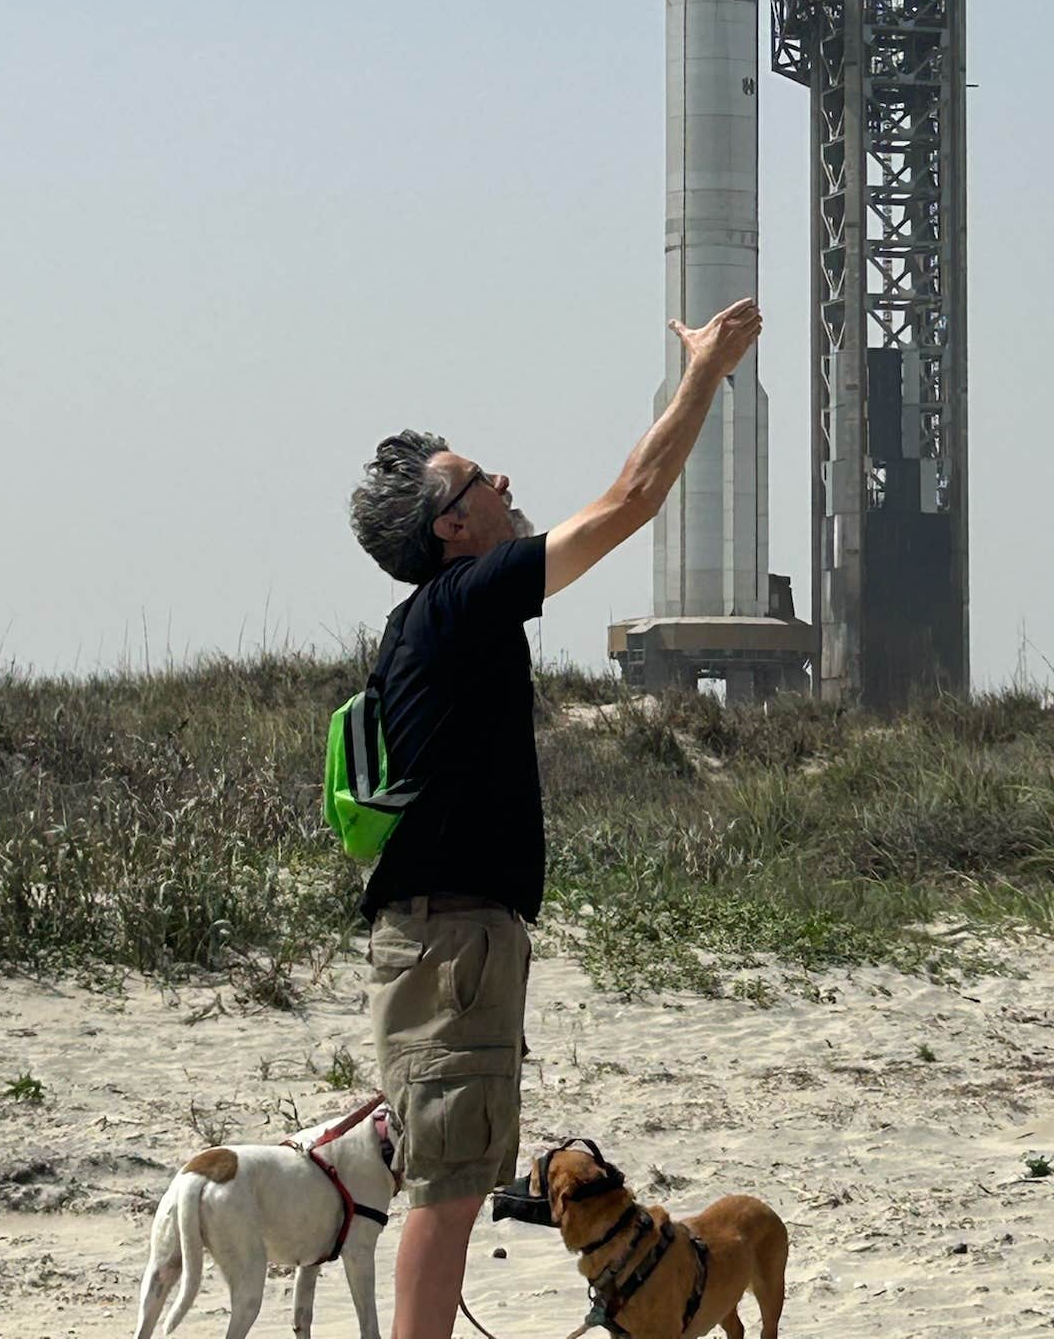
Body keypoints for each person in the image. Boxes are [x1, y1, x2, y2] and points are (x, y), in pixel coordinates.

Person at [345, 295, 763, 1339]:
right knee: (445, 1195)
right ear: (454, 523)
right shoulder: (460, 600)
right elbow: (633, 497)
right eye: (486, 479)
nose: (507, 483)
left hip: (441, 941)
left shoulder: (432, 620)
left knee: (448, 1179)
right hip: (451, 945)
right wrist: (706, 371)